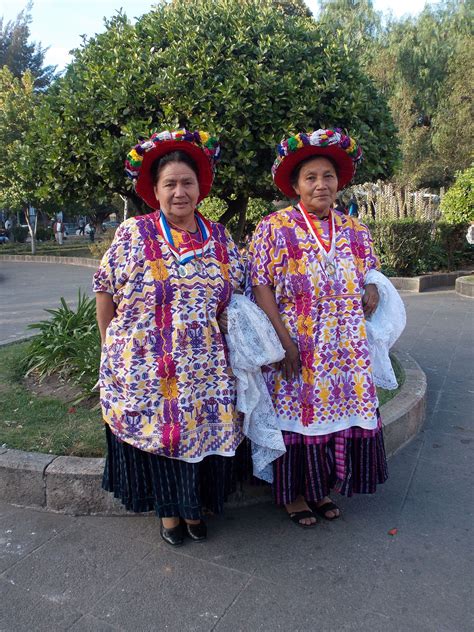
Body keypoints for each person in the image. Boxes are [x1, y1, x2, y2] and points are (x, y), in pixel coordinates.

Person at [93, 129, 245, 545]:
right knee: (160, 437)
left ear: (201, 188)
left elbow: (242, 296)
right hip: (145, 366)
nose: (180, 192)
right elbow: (104, 288)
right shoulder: (133, 234)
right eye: (170, 184)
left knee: (199, 433)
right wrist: (111, 347)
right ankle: (170, 514)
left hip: (205, 368)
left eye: (187, 183)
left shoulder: (221, 240)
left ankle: (195, 509)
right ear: (155, 191)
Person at [247, 128, 388, 527]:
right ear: (295, 185)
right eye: (310, 177)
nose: (321, 185)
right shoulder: (275, 227)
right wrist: (283, 341)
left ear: (339, 182)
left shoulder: (355, 229)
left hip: (345, 346)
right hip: (298, 341)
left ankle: (319, 489)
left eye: (328, 176)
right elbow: (260, 285)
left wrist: (374, 286)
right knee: (298, 418)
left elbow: (371, 270)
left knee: (336, 416)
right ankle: (293, 496)